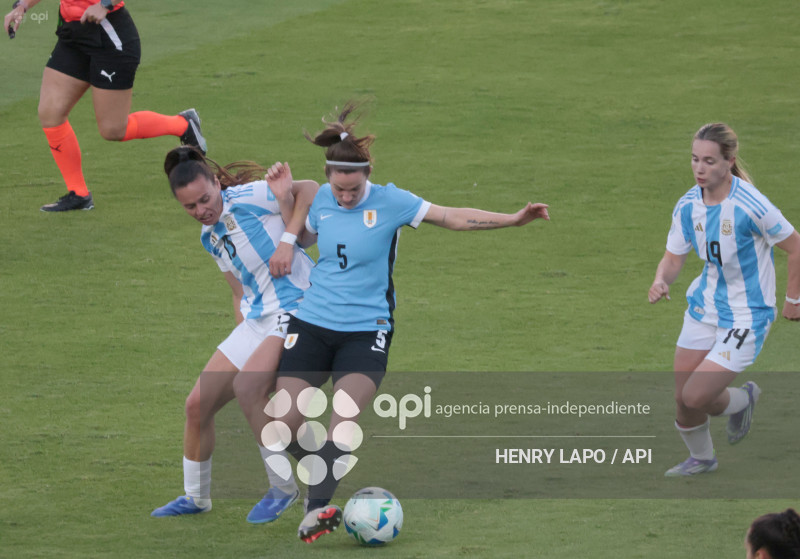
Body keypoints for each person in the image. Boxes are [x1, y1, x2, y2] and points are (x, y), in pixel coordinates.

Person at [265, 102, 551, 543]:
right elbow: (306, 237)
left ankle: (317, 507)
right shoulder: (319, 198)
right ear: (328, 178)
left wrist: (513, 219)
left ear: (367, 175)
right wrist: (286, 203)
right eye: (338, 189)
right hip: (313, 322)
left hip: (366, 330)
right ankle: (320, 472)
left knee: (344, 417)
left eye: (352, 189)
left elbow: (451, 217)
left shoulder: (392, 200)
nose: (344, 196)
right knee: (282, 422)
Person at [151, 146, 318, 524]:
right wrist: (244, 336)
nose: (201, 211)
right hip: (258, 321)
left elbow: (310, 189)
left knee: (250, 388)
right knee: (197, 405)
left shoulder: (252, 196)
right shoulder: (209, 237)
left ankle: (284, 488)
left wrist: (288, 241)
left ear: (215, 183)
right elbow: (239, 291)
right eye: (189, 207)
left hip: (296, 310)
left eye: (205, 199)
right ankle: (196, 497)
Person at [648, 123, 800, 477]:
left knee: (696, 397)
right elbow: (673, 258)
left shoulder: (751, 205)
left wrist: (794, 298)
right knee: (681, 398)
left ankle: (743, 399)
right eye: (695, 160)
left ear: (729, 162)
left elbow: (796, 247)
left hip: (747, 316)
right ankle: (702, 459)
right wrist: (660, 280)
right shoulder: (688, 205)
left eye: (710, 161)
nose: (700, 169)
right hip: (704, 308)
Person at [4, 0, 207, 212]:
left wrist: (105, 4)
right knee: (50, 113)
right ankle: (79, 193)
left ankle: (183, 124)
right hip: (73, 33)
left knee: (113, 129)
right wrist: (22, 6)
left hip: (110, 36)